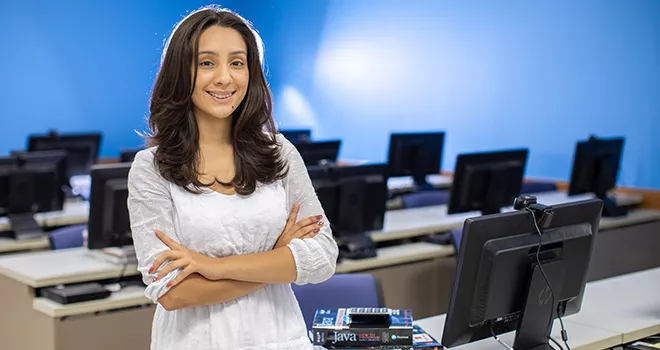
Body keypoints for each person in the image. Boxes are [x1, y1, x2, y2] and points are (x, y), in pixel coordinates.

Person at [127, 5, 338, 350]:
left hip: (281, 338)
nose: (225, 77)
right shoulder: (150, 167)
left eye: (237, 63)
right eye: (207, 63)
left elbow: (322, 258)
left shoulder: (279, 152)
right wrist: (277, 256)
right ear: (181, 72)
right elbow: (175, 293)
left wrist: (209, 266)